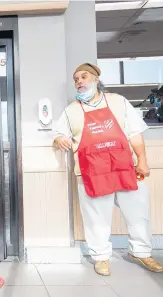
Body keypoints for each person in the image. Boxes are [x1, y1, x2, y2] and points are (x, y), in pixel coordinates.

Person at [54, 63, 163, 276]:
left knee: (138, 213)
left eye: (84, 77)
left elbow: (135, 133)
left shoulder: (118, 102)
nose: (79, 82)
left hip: (125, 167)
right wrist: (61, 139)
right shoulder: (71, 111)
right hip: (92, 172)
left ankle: (141, 252)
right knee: (96, 218)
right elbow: (60, 134)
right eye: (76, 79)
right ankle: (101, 257)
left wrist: (142, 160)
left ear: (96, 79)